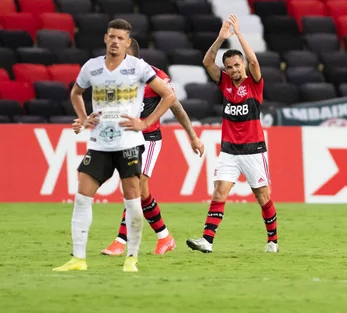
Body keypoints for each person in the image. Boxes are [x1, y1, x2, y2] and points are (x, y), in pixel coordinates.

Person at [53, 19, 176, 273]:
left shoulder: (138, 67)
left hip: (129, 143)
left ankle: (131, 257)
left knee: (133, 199)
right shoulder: (92, 67)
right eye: (112, 37)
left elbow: (169, 96)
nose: (115, 41)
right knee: (82, 196)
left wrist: (145, 123)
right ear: (105, 38)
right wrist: (85, 118)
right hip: (99, 142)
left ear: (128, 42)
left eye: (121, 38)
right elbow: (76, 93)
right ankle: (78, 259)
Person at [72, 38, 205, 256]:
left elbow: (176, 106)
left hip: (149, 139)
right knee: (143, 194)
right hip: (125, 139)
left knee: (134, 187)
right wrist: (85, 120)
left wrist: (192, 136)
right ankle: (165, 237)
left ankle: (120, 242)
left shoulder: (154, 77)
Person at [186, 14, 278, 254]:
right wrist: (220, 38)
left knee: (262, 196)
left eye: (237, 65)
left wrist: (238, 34)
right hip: (229, 150)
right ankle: (207, 240)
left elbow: (255, 62)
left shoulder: (254, 83)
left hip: (253, 150)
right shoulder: (224, 81)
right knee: (219, 191)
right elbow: (207, 62)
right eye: (229, 67)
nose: (234, 70)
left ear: (243, 65)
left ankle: (273, 241)